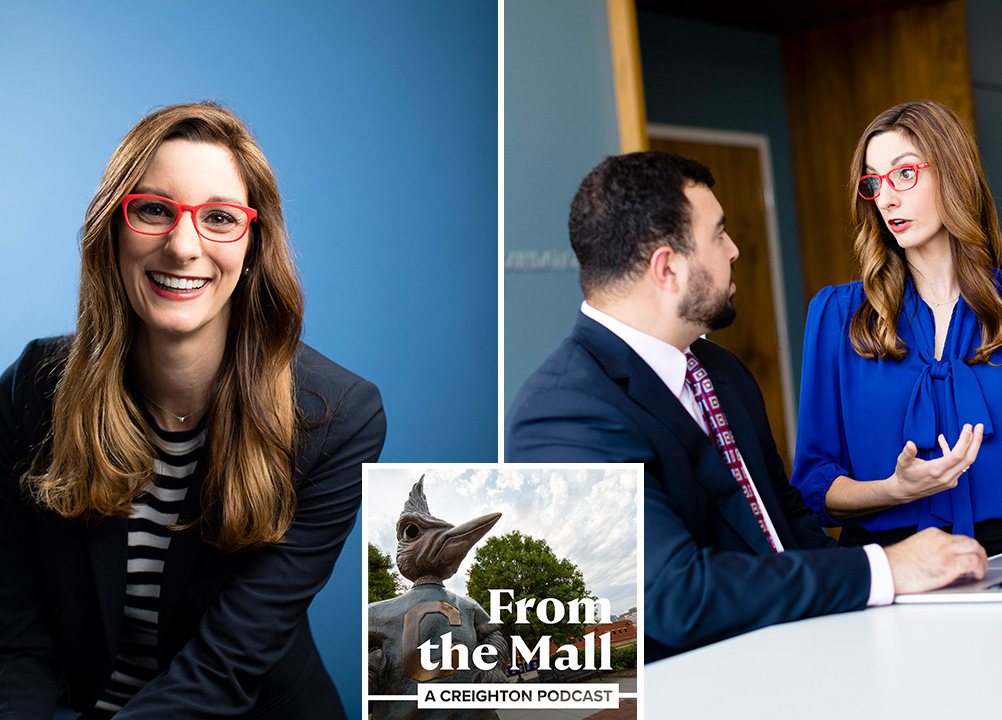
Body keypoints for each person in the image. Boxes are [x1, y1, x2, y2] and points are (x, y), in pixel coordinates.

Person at [504, 150, 987, 663]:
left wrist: (907, 596)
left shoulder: (721, 371)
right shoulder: (560, 412)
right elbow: (672, 595)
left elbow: (793, 528)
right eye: (719, 234)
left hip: (805, 655)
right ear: (666, 268)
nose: (734, 249)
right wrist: (886, 569)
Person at [0, 102, 386, 718]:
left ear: (254, 242)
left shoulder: (340, 419)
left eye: (220, 218)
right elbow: (15, 642)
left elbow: (223, 667)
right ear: (113, 229)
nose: (183, 246)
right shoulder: (31, 390)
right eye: (153, 210)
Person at [791, 100, 1002, 553]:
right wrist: (895, 489)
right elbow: (814, 488)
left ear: (952, 172)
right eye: (873, 181)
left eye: (904, 173)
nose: (885, 199)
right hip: (887, 572)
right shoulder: (836, 314)